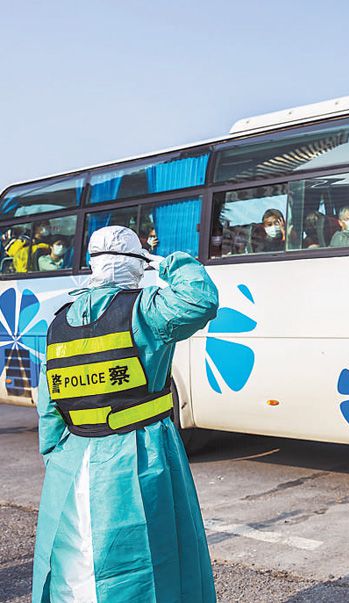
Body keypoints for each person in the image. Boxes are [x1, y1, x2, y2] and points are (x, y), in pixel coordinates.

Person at [32, 225, 218, 603]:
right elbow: (200, 300)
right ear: (137, 264)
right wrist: (168, 263)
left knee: (74, 562)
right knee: (147, 561)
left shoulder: (59, 321)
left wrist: (54, 455)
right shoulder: (146, 310)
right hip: (140, 453)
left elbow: (49, 402)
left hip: (72, 461)